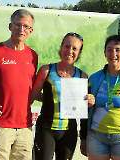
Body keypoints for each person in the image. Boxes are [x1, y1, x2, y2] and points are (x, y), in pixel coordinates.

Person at [31, 32, 94, 160]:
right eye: (67, 46)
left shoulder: (83, 76)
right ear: (61, 47)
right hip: (45, 129)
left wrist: (88, 103)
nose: (70, 51)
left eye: (75, 48)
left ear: (79, 53)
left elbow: (84, 114)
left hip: (68, 131)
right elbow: (33, 96)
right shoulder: (46, 70)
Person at [0, 9, 38, 160]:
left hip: (25, 128)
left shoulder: (32, 56)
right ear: (10, 26)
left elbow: (31, 89)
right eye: (17, 24)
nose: (21, 29)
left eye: (26, 26)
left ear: (31, 30)